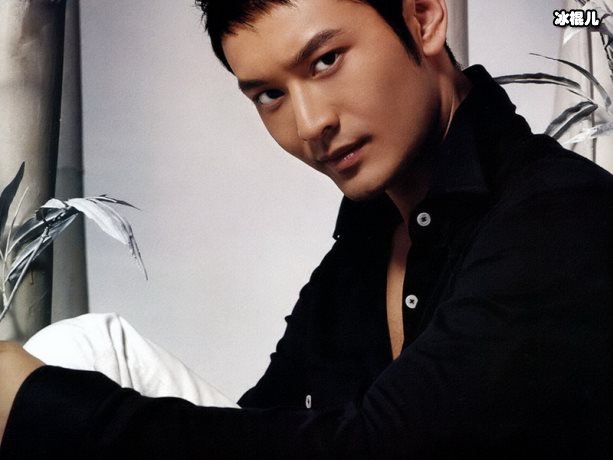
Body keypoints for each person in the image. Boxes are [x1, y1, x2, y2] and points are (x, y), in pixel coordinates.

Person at [1, 0, 612, 457]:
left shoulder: (565, 215)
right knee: (88, 346)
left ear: (423, 17)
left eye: (326, 61)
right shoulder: (367, 244)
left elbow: (382, 447)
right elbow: (264, 419)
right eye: (270, 94)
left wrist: (40, 407)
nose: (310, 123)